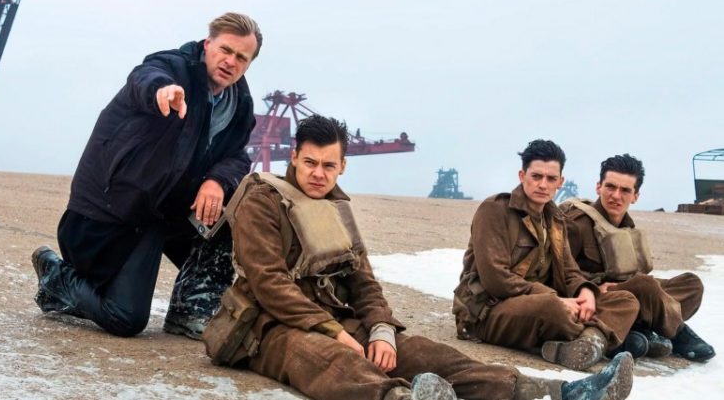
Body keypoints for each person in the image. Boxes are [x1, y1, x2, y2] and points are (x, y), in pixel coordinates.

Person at [204, 118, 635, 400]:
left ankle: (555, 393)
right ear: (294, 157)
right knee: (332, 362)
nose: (319, 173)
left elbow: (363, 281)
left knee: (428, 354)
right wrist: (337, 334)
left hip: (334, 318)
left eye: (329, 165)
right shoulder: (263, 200)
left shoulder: (337, 207)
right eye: (310, 162)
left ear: (342, 167)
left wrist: (381, 330)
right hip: (268, 326)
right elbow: (270, 284)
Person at [30, 12, 262, 339]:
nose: (230, 61)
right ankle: (57, 277)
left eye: (241, 57)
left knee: (240, 209)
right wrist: (161, 91)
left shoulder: (239, 105)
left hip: (164, 214)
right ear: (207, 44)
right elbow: (144, 76)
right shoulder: (173, 68)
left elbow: (237, 155)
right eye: (225, 49)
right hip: (110, 217)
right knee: (126, 318)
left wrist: (216, 181)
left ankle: (189, 310)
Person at [453, 139, 641, 371]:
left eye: (551, 179)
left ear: (560, 182)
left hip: (543, 302)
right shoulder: (494, 210)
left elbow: (570, 271)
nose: (543, 185)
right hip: (487, 311)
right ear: (522, 176)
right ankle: (602, 338)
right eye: (536, 176)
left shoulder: (556, 219)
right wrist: (556, 299)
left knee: (625, 300)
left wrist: (585, 292)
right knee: (552, 309)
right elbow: (496, 279)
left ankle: (588, 342)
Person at [560, 153, 715, 362]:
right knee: (645, 285)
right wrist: (593, 285)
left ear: (635, 196)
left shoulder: (627, 227)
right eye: (610, 187)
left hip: (633, 294)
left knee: (691, 284)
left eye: (625, 190)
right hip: (600, 299)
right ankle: (678, 333)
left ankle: (639, 329)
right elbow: (560, 272)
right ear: (598, 187)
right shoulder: (577, 223)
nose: (616, 196)